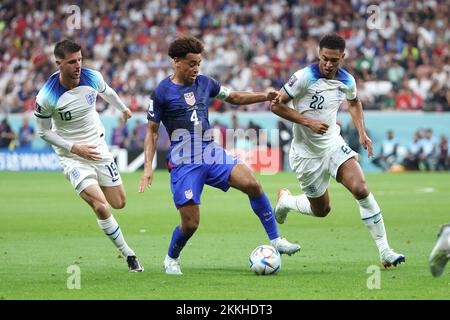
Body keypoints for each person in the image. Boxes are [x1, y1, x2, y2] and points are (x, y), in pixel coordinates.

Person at [138, 36, 300, 275]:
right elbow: (152, 131)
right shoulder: (161, 92)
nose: (196, 69)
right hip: (184, 161)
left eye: (198, 63)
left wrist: (263, 96)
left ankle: (276, 240)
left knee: (252, 184)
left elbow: (233, 97)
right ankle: (171, 258)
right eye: (191, 63)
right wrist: (148, 167)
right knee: (191, 223)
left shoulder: (205, 83)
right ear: (176, 61)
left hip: (210, 152)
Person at [270, 34, 405, 268]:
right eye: (325, 59)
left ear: (343, 57)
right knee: (321, 210)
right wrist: (307, 122)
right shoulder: (303, 77)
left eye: (334, 60)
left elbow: (354, 102)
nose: (329, 64)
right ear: (318, 55)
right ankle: (287, 201)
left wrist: (362, 132)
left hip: (333, 144)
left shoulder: (347, 80)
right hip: (305, 154)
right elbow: (275, 105)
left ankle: (385, 251)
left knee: (361, 189)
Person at [34, 39, 143, 272]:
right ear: (59, 63)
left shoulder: (92, 77)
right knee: (102, 207)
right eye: (72, 62)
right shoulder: (47, 96)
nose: (78, 66)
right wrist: (74, 148)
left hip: (98, 149)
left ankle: (95, 184)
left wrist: (122, 108)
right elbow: (43, 132)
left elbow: (108, 92)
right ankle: (129, 255)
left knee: (119, 203)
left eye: (80, 60)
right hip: (72, 156)